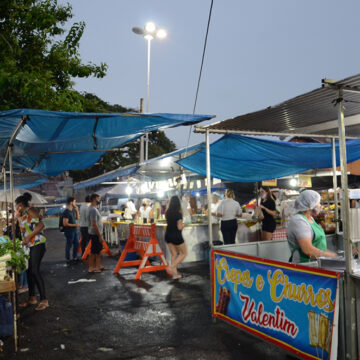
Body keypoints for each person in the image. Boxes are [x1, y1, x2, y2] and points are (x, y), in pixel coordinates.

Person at [16, 192, 49, 311]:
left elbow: (41, 225)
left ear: (20, 204)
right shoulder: (24, 214)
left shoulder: (31, 211)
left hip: (38, 244)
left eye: (16, 206)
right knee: (29, 271)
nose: (15, 208)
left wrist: (28, 237)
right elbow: (25, 228)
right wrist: (18, 216)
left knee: (34, 270)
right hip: (31, 245)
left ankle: (44, 300)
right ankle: (32, 298)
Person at [287, 190, 337, 263]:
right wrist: (331, 255)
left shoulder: (310, 219)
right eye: (318, 203)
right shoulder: (299, 221)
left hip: (317, 263)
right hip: (305, 266)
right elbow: (308, 249)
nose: (320, 205)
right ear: (311, 205)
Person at [165, 195, 187, 279]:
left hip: (168, 235)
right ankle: (171, 267)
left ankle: (175, 274)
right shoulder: (178, 214)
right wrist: (185, 224)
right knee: (184, 253)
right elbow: (179, 227)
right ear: (178, 203)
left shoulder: (167, 212)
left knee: (174, 254)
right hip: (176, 236)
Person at [88, 193, 105, 273]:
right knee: (94, 251)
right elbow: (94, 224)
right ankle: (91, 268)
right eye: (99, 198)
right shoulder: (93, 209)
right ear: (95, 199)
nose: (99, 200)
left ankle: (98, 265)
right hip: (95, 234)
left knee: (98, 251)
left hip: (97, 233)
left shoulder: (94, 208)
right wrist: (99, 236)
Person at [62, 197, 80, 265]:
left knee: (76, 244)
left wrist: (77, 210)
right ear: (71, 202)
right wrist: (75, 225)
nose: (75, 203)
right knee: (69, 245)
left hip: (74, 230)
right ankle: (68, 258)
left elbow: (77, 218)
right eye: (74, 202)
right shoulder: (66, 212)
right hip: (69, 231)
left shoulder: (72, 210)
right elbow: (65, 223)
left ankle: (75, 257)